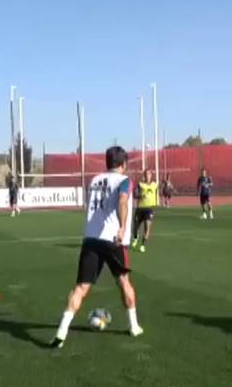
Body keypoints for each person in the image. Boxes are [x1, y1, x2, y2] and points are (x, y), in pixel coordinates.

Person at [50, 146, 143, 349]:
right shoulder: (125, 181)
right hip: (113, 241)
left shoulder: (94, 181)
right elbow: (122, 201)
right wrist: (122, 227)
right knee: (124, 282)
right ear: (123, 163)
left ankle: (62, 330)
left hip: (91, 239)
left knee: (81, 287)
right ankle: (134, 326)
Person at [132, 169, 159, 252]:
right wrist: (140, 195)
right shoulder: (140, 185)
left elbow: (157, 193)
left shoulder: (155, 185)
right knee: (135, 228)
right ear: (144, 176)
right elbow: (135, 194)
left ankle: (143, 245)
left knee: (147, 227)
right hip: (140, 209)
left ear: (151, 175)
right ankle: (136, 238)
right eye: (146, 174)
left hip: (149, 209)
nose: (148, 175)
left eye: (149, 174)